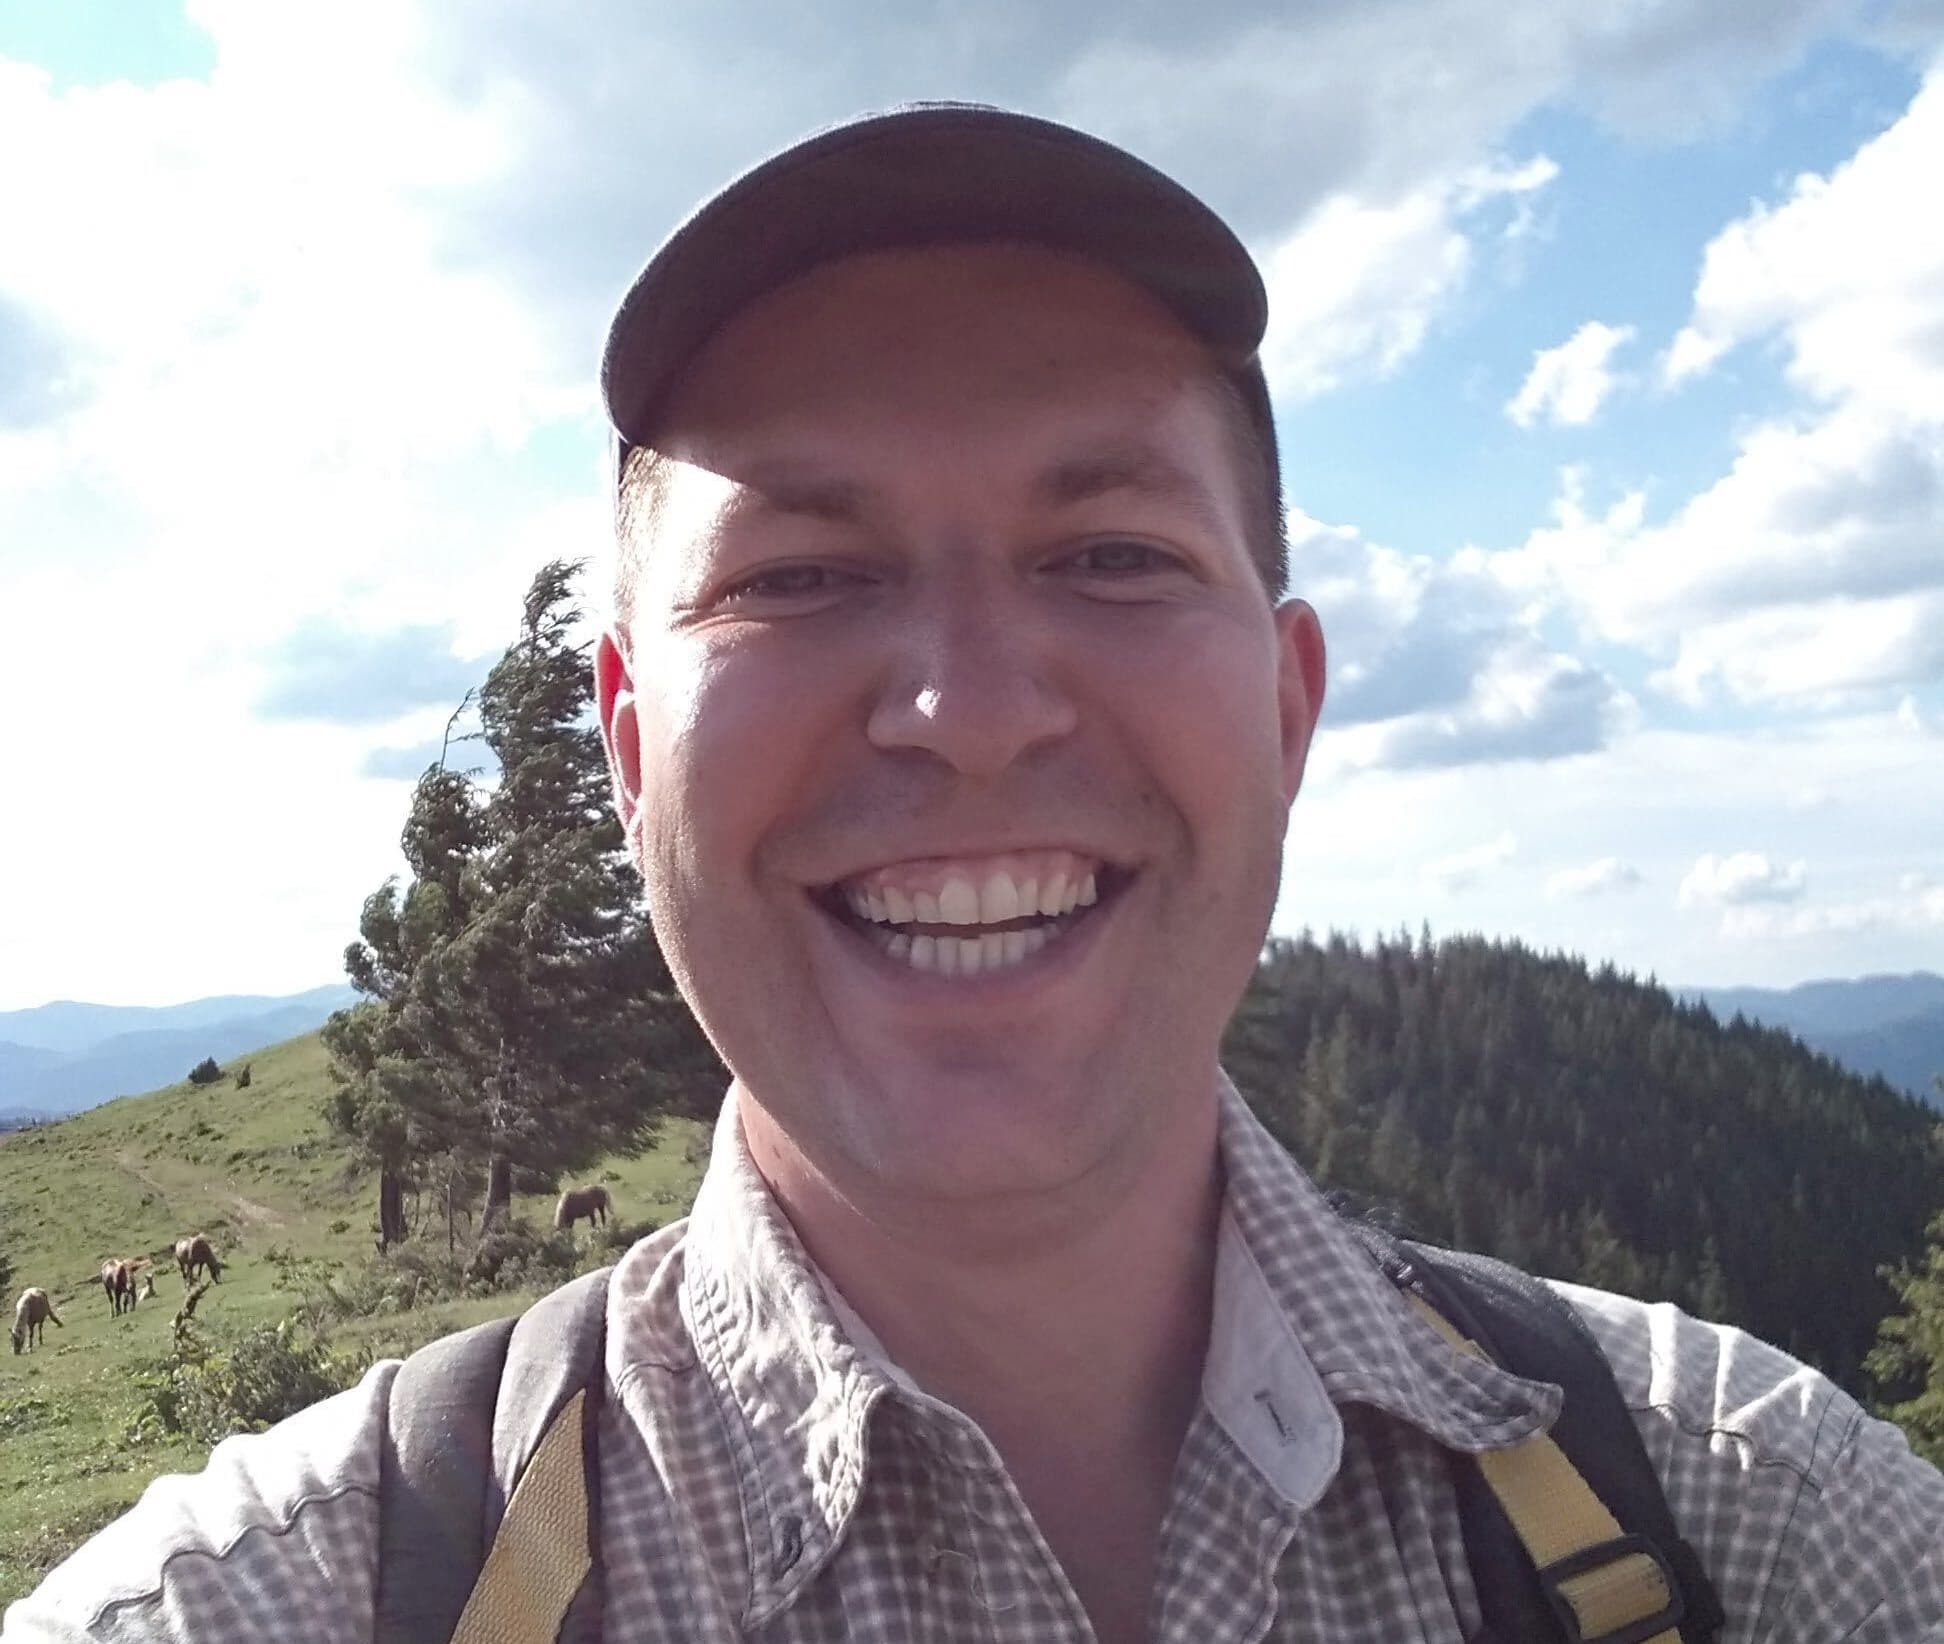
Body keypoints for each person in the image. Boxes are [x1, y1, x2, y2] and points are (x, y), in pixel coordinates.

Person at [7, 103, 1942, 1644]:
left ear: (1288, 709)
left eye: (1110, 555)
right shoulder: (292, 1599)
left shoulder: (1764, 1524)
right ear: (620, 748)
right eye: (798, 576)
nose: (967, 711)